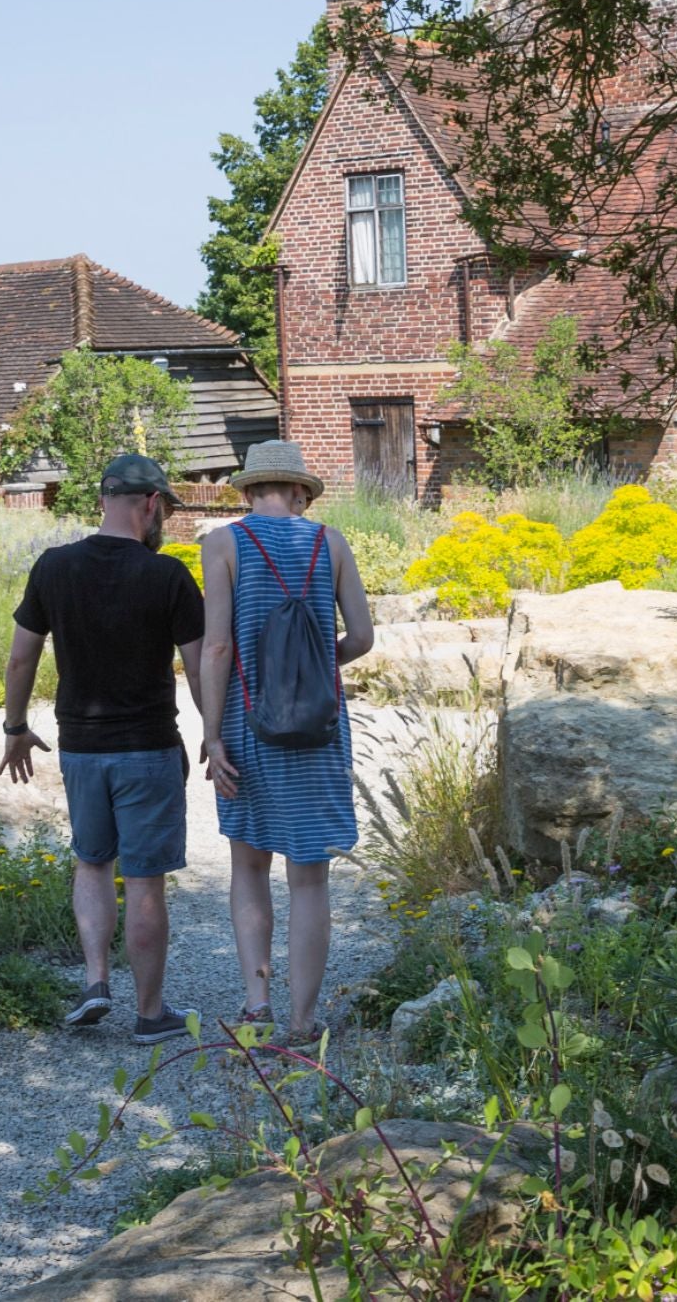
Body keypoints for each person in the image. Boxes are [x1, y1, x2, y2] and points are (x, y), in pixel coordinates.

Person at [0, 453, 205, 1045]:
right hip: (148, 747)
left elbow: (21, 656)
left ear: (104, 499)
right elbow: (198, 670)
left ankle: (94, 982)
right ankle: (149, 1014)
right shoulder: (168, 577)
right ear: (150, 504)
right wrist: (214, 735)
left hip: (81, 748)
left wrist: (16, 727)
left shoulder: (54, 567)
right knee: (143, 879)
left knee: (92, 861)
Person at [197, 440, 375, 1043]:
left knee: (248, 865)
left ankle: (257, 1005)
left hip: (250, 726)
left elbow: (216, 646)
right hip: (320, 730)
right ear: (300, 492)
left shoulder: (223, 543)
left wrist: (212, 732)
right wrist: (317, 668)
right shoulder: (331, 543)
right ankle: (303, 1021)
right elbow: (363, 637)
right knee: (310, 878)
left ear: (247, 492)